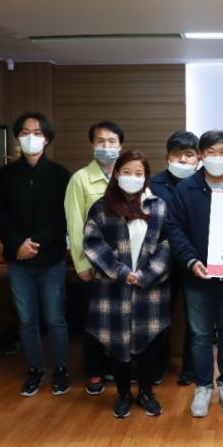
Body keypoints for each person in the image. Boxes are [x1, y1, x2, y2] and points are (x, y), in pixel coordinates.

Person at [167, 130, 223, 418]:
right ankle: (203, 386)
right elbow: (175, 229)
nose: (218, 158)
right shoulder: (185, 189)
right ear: (201, 155)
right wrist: (190, 260)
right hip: (197, 277)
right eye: (211, 152)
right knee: (200, 335)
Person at [83, 150, 171, 418]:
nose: (133, 177)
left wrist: (145, 275)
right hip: (113, 287)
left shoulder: (158, 206)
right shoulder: (101, 207)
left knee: (149, 343)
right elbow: (92, 244)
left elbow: (167, 246)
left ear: (146, 176)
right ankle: (123, 394)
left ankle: (146, 392)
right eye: (127, 172)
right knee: (117, 343)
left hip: (150, 288)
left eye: (139, 173)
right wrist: (121, 272)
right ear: (117, 174)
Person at [0, 111, 71, 397]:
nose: (30, 138)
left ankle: (60, 369)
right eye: (24, 133)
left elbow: (63, 217)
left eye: (37, 133)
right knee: (26, 319)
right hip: (18, 260)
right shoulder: (3, 175)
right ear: (17, 138)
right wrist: (17, 245)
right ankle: (35, 369)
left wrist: (34, 243)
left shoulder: (61, 174)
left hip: (51, 259)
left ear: (46, 139)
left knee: (55, 318)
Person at [64, 121, 124, 395]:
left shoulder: (127, 175)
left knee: (119, 318)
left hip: (122, 264)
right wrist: (82, 263)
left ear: (120, 145)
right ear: (92, 145)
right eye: (101, 141)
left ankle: (116, 367)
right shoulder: (80, 179)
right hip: (95, 264)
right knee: (94, 320)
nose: (106, 146)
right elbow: (75, 224)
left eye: (112, 141)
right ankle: (95, 370)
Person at [150, 131, 200, 386]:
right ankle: (158, 366)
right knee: (160, 316)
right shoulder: (152, 185)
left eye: (189, 155)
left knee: (195, 317)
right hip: (161, 261)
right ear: (167, 156)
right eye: (177, 154)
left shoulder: (204, 183)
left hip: (194, 261)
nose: (182, 160)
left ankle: (191, 368)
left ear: (198, 158)